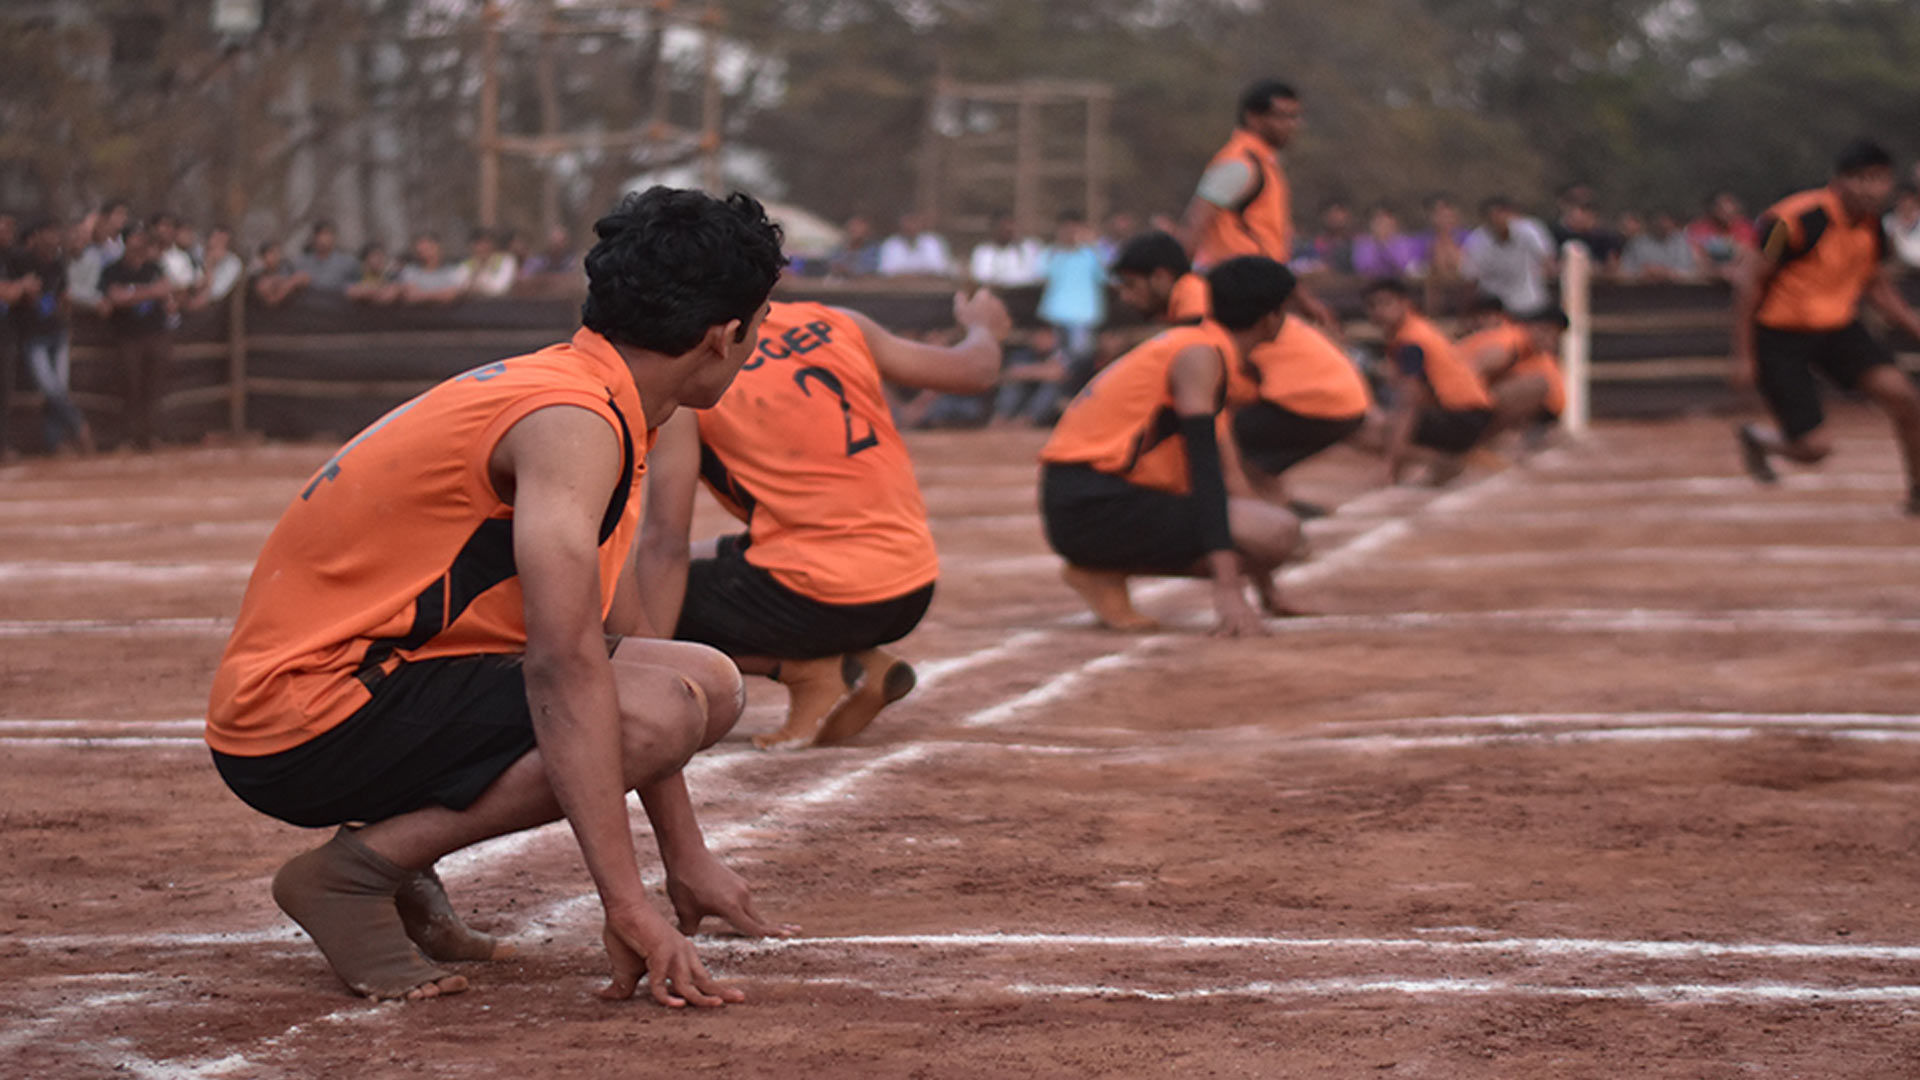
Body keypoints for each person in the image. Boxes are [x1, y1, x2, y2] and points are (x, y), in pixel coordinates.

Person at [204, 186, 791, 1006]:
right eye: (760, 322)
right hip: (301, 722)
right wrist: (627, 904)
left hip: (365, 684)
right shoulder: (575, 421)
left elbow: (622, 632)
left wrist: (684, 856)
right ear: (723, 337)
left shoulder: (601, 395)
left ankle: (399, 863)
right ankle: (355, 874)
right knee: (657, 708)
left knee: (705, 681)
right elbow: (565, 666)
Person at [636, 290, 1009, 749]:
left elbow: (664, 544)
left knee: (618, 590)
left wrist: (643, 660)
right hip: (911, 587)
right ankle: (859, 663)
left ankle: (806, 670)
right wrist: (984, 327)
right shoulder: (839, 321)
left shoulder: (691, 378)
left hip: (816, 597)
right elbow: (977, 370)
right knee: (709, 556)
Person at [1039, 255, 1303, 634]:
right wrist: (1228, 590)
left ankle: (1102, 569)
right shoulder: (1199, 357)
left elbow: (1233, 479)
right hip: (1091, 504)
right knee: (1277, 534)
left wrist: (1268, 591)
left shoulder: (1204, 348)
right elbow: (1206, 467)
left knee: (1267, 528)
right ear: (1271, 318)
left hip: (1089, 497)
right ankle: (1099, 567)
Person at [1731, 140, 1920, 514]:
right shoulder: (1793, 219)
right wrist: (1743, 355)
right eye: (1862, 179)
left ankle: (1918, 492)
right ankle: (1759, 440)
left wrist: (1914, 326)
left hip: (1837, 328)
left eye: (1880, 180)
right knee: (1813, 450)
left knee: (1903, 398)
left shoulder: (1873, 228)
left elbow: (1877, 286)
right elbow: (1750, 281)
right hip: (1781, 333)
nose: (1871, 189)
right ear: (1839, 181)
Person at [1110, 233, 1370, 505]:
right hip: (1329, 394)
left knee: (1206, 436)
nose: (1127, 297)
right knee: (1213, 426)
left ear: (1161, 278)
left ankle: (1255, 508)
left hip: (1312, 397)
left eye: (1130, 286)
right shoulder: (1201, 295)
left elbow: (1207, 382)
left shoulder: (1196, 302)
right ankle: (1271, 501)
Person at [1181, 78, 1338, 330]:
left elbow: (1268, 246)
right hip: (1237, 294)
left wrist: (1300, 298)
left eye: (1295, 117)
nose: (1292, 125)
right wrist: (1179, 294)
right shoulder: (1239, 164)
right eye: (1283, 116)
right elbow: (1195, 223)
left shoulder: (1265, 164)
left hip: (1259, 291)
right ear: (1253, 118)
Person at [1364, 278, 1521, 485]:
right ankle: (1447, 460)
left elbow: (1408, 402)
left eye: (1386, 303)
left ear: (1405, 303)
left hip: (1463, 415)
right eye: (1373, 306)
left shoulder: (1412, 340)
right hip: (1467, 412)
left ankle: (1444, 461)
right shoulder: (1415, 330)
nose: (1379, 311)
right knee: (1391, 418)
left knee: (1373, 429)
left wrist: (1391, 465)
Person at [11, 219, 93, 454]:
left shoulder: (57, 264)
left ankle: (54, 442)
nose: (52, 238)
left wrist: (65, 318)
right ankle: (79, 426)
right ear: (36, 235)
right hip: (32, 334)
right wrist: (25, 290)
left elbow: (63, 297)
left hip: (55, 332)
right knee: (50, 388)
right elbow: (18, 293)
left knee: (58, 390)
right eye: (47, 233)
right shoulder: (21, 260)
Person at [100, 229, 176, 450]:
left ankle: (151, 435)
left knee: (154, 386)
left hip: (156, 334)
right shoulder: (113, 270)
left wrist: (133, 293)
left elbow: (166, 290)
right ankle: (128, 437)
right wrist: (150, 292)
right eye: (134, 239)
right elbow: (116, 297)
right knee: (130, 386)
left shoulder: (154, 267)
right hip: (128, 336)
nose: (139, 243)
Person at [1456, 302, 1569, 443]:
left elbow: (1556, 404)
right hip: (1443, 405)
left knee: (1536, 386)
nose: (1552, 340)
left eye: (1555, 336)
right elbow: (1465, 375)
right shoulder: (1510, 342)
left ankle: (1472, 444)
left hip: (1453, 403)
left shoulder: (1533, 355)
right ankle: (1467, 445)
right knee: (1534, 387)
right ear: (1534, 327)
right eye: (1548, 332)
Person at [1461, 196, 1557, 316]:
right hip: (1495, 307)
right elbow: (1471, 278)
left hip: (1531, 303)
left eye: (1501, 214)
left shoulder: (1529, 231)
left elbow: (1548, 262)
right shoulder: (1476, 241)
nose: (1498, 220)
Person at [1687, 191, 1758, 280]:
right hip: (1706, 276)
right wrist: (1716, 271)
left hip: (1736, 277)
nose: (1727, 214)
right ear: (1714, 210)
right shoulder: (1699, 228)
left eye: (1731, 211)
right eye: (1722, 211)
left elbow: (1745, 255)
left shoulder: (1744, 227)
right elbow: (1696, 256)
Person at [1619, 212, 1700, 282]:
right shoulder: (1637, 243)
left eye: (1666, 220)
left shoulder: (1683, 242)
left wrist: (1667, 273)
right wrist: (1641, 273)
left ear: (1672, 222)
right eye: (1658, 219)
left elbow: (1692, 272)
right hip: (1640, 291)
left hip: (1678, 292)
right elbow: (1624, 271)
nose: (1662, 224)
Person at [968, 214, 1043, 287]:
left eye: (1011, 227)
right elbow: (981, 277)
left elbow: (1030, 277)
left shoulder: (1027, 248)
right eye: (1003, 227)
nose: (1009, 230)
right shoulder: (983, 252)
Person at [1352, 206, 1425, 279]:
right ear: (1371, 224)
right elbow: (1363, 269)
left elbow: (1414, 271)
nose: (1384, 226)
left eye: (1388, 222)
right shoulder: (1363, 245)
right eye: (1379, 221)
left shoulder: (1411, 244)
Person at [396, 232, 469, 304]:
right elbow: (410, 295)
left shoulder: (452, 271)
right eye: (420, 249)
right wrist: (438, 294)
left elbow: (451, 295)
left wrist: (423, 296)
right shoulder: (410, 271)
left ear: (437, 247)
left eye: (427, 247)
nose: (423, 251)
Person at [876, 212, 954, 278]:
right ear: (901, 225)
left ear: (920, 224)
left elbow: (941, 269)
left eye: (914, 223)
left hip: (932, 290)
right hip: (896, 291)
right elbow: (886, 272)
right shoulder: (891, 244)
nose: (911, 227)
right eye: (908, 223)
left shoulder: (933, 242)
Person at [294, 220, 363, 294]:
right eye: (319, 234)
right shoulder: (301, 262)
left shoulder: (348, 263)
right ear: (314, 238)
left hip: (338, 302)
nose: (323, 239)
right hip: (308, 302)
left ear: (334, 237)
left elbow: (357, 285)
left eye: (327, 234)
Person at [250, 242, 310, 308]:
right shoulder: (257, 276)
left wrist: (287, 283)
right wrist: (290, 283)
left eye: (278, 253)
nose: (276, 256)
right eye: (271, 253)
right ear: (263, 257)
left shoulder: (288, 267)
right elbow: (271, 299)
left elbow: (304, 278)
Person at [462, 229, 518, 298]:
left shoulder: (507, 260)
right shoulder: (467, 264)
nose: (482, 247)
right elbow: (460, 286)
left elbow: (500, 289)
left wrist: (478, 286)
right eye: (478, 244)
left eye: (486, 243)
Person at [1885, 184, 1920, 271]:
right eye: (1902, 200)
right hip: (1902, 271)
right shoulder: (1889, 222)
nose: (1906, 204)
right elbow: (1891, 251)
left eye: (1909, 200)